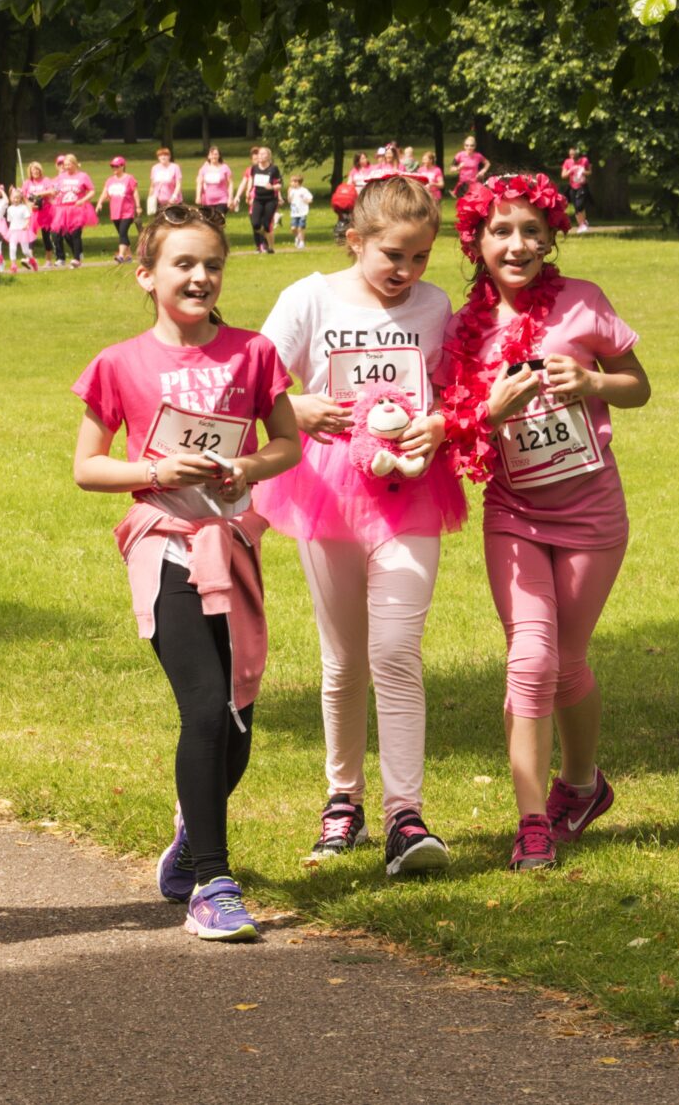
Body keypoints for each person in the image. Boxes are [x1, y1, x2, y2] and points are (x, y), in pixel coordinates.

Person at [69, 202, 302, 941]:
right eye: (183, 264)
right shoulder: (120, 362)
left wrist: (246, 467)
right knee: (204, 708)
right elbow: (86, 467)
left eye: (212, 265)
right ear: (146, 276)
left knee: (237, 721)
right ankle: (213, 881)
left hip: (232, 544)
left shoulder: (253, 352)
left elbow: (288, 443)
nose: (200, 276)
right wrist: (154, 468)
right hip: (164, 544)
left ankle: (186, 839)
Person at [436, 173, 649, 871]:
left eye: (531, 230)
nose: (517, 244)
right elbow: (454, 429)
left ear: (553, 237)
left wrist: (592, 383)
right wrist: (485, 413)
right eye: (501, 231)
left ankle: (582, 787)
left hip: (591, 513)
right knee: (529, 658)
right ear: (475, 241)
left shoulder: (583, 304)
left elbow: (638, 385)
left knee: (567, 663)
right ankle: (532, 820)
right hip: (515, 512)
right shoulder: (459, 331)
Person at [252, 176, 463, 875]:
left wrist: (437, 423)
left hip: (409, 494)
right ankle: (343, 802)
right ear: (356, 241)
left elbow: (457, 390)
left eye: (421, 257)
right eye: (393, 255)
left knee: (397, 651)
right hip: (326, 494)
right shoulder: (309, 298)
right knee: (343, 660)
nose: (407, 272)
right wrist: (298, 407)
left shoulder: (435, 308)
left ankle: (407, 814)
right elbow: (255, 380)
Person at [52, 153, 96, 268]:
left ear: (75, 164)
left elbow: (91, 191)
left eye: (69, 164)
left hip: (78, 208)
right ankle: (78, 253)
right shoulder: (61, 177)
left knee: (75, 233)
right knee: (66, 234)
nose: (66, 167)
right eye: (65, 165)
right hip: (63, 210)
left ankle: (76, 259)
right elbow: (55, 190)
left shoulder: (83, 176)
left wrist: (83, 200)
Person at [102, 156, 141, 264]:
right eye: (112, 166)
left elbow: (135, 192)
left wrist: (138, 206)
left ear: (122, 166)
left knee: (123, 233)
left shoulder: (129, 178)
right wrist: (100, 202)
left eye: (116, 166)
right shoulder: (110, 180)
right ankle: (129, 256)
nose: (114, 168)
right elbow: (105, 192)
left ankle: (120, 255)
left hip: (127, 211)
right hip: (115, 211)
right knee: (122, 234)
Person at [246, 146, 283, 255]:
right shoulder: (254, 168)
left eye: (263, 154)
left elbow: (280, 185)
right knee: (255, 223)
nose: (260, 156)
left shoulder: (273, 169)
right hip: (258, 199)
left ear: (268, 156)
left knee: (267, 224)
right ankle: (266, 236)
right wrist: (248, 192)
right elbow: (251, 181)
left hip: (270, 200)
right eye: (259, 154)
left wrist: (272, 187)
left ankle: (270, 247)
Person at [195, 146, 234, 219]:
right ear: (209, 156)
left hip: (222, 199)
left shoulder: (225, 168)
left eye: (216, 154)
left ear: (219, 156)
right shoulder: (204, 169)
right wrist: (198, 196)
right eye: (212, 154)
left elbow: (230, 183)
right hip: (207, 200)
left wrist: (230, 198)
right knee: (209, 221)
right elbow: (199, 183)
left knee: (218, 219)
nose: (214, 156)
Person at [560, 149, 593, 231]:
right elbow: (563, 175)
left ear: (578, 154)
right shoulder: (567, 162)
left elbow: (589, 172)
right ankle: (581, 225)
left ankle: (584, 223)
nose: (572, 157)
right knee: (576, 207)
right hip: (572, 187)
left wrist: (583, 172)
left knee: (580, 205)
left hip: (582, 186)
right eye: (571, 155)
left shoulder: (584, 160)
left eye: (574, 155)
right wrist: (570, 171)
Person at [147, 146, 183, 214]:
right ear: (158, 157)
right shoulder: (155, 168)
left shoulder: (175, 167)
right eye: (160, 155)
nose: (163, 157)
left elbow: (178, 184)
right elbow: (152, 186)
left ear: (169, 156)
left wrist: (174, 196)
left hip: (173, 202)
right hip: (159, 202)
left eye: (165, 155)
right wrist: (150, 198)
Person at [451, 136, 489, 201]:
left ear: (475, 146)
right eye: (467, 145)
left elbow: (487, 163)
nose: (469, 147)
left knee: (474, 203)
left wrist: (483, 171)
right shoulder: (460, 155)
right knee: (462, 203)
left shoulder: (478, 156)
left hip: (474, 183)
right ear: (464, 146)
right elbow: (451, 169)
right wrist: (458, 167)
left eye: (472, 146)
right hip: (463, 185)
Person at [287, 174, 314, 250]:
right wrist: (288, 193)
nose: (291, 183)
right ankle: (297, 237)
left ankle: (302, 242)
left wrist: (306, 200)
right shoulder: (291, 190)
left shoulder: (304, 190)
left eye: (292, 182)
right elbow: (289, 201)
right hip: (294, 212)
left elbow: (310, 199)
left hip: (302, 212)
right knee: (293, 228)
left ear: (297, 182)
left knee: (300, 228)